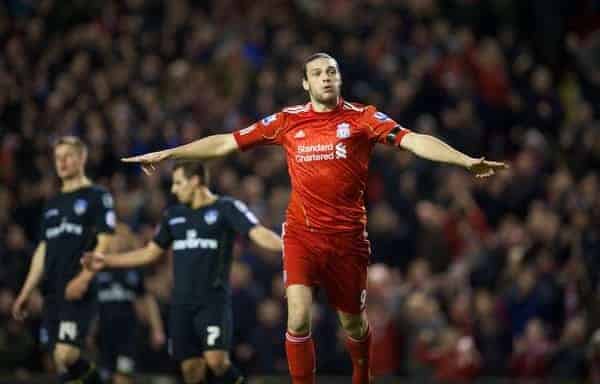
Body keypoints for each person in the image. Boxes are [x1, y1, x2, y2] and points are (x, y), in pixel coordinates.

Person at [118, 52, 508, 384]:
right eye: (318, 73)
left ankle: (362, 373)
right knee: (299, 316)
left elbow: (414, 140)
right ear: (305, 84)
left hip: (348, 240)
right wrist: (170, 154)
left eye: (331, 72)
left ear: (340, 79)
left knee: (353, 325)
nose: (326, 77)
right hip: (301, 234)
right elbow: (226, 141)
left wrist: (464, 160)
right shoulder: (288, 121)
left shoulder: (362, 119)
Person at [84, 162, 282, 384]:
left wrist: (287, 245)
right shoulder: (173, 216)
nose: (173, 189)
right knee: (191, 370)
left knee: (217, 362)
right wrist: (107, 260)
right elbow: (150, 253)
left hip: (212, 302)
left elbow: (258, 233)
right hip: (181, 305)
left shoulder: (226, 208)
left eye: (178, 183)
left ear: (196, 181)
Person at [12, 136, 116, 383]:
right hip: (52, 291)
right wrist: (26, 292)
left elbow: (105, 241)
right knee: (59, 362)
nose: (62, 162)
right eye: (58, 158)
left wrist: (84, 278)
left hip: (77, 289)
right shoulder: (52, 205)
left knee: (66, 353)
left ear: (82, 158)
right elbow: (42, 250)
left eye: (67, 156)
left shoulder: (96, 196)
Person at [95, 222, 165, 384]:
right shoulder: (95, 269)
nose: (116, 241)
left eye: (121, 237)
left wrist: (157, 328)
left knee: (123, 377)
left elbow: (147, 298)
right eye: (112, 237)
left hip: (127, 333)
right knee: (104, 376)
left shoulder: (132, 268)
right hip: (103, 334)